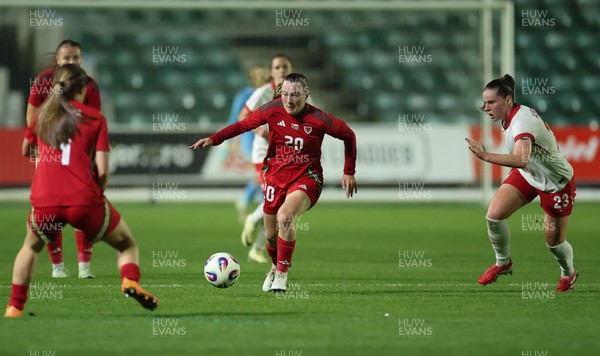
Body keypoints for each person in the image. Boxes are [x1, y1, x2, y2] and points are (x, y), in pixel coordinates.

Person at [4, 64, 158, 318]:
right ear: (82, 89)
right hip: (83, 199)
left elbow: (25, 150)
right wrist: (97, 193)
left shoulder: (43, 116)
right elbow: (103, 168)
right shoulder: (95, 118)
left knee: (30, 247)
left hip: (45, 198)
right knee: (126, 244)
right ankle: (130, 281)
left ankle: (14, 307)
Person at [190, 73, 357, 292]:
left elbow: (349, 135)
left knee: (285, 217)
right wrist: (214, 139)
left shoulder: (319, 119)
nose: (289, 99)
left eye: (295, 94)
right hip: (276, 179)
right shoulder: (271, 109)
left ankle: (281, 275)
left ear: (306, 95)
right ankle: (274, 265)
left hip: (307, 178)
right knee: (270, 235)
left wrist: (349, 171)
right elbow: (241, 126)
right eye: (286, 93)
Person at [466, 74, 577, 292]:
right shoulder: (509, 116)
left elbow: (521, 159)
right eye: (485, 102)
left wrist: (486, 156)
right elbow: (525, 163)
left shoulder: (521, 122)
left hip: (556, 183)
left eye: (491, 102)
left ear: (507, 100)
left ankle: (568, 273)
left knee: (554, 244)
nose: (486, 108)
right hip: (528, 175)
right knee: (494, 215)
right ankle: (503, 262)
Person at [27, 39, 101, 279]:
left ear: (81, 60)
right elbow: (31, 117)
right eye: (66, 58)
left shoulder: (90, 85)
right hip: (49, 154)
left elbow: (92, 123)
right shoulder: (42, 81)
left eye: (76, 58)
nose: (71, 62)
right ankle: (57, 267)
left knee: (82, 207)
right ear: (58, 60)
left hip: (76, 155)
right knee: (49, 211)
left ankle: (84, 266)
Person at [238, 54, 294, 264]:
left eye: (285, 67)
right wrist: (260, 129)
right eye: (277, 67)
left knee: (281, 207)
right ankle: (253, 221)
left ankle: (257, 247)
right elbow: (242, 117)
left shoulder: (300, 93)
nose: (281, 70)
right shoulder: (263, 93)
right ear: (272, 72)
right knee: (276, 203)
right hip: (264, 156)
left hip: (287, 157)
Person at [226, 64, 271, 225]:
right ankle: (250, 201)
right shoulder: (245, 94)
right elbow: (235, 117)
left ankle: (257, 201)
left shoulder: (268, 92)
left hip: (262, 136)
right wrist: (233, 139)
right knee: (263, 169)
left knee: (264, 170)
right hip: (249, 137)